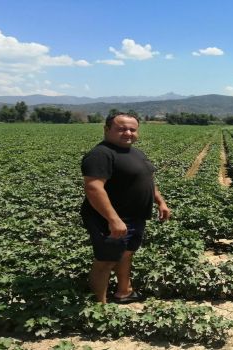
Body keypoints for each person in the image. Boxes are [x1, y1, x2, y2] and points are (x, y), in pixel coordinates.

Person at [80, 113, 170, 303]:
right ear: (106, 129)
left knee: (126, 254)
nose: (127, 133)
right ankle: (98, 308)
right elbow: (93, 188)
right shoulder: (101, 154)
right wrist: (113, 219)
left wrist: (160, 201)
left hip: (134, 216)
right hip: (111, 219)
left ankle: (124, 292)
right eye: (121, 129)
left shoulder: (135, 152)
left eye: (132, 129)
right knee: (105, 261)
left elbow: (148, 180)